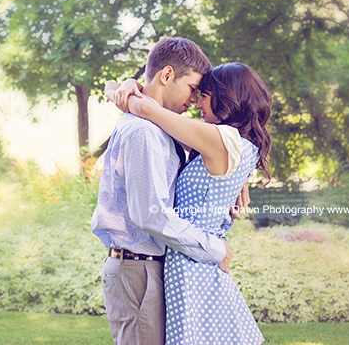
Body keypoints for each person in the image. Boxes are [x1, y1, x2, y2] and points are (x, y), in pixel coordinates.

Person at [106, 62, 272, 345]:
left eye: (204, 95)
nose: (197, 103)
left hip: (194, 263)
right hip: (189, 258)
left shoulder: (222, 139)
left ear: (228, 97)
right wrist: (120, 86)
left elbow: (147, 110)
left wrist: (123, 88)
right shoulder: (230, 141)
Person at [90, 37, 233, 345]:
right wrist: (214, 249)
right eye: (193, 89)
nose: (195, 101)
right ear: (167, 75)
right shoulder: (144, 132)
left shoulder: (156, 125)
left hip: (147, 268)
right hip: (138, 270)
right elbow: (151, 216)